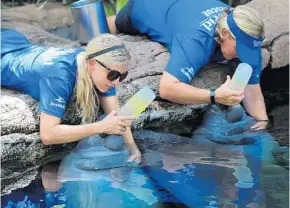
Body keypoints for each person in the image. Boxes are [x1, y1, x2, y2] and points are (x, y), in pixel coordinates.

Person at [107, 0, 269, 130]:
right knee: (114, 24)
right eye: (239, 49)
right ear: (225, 33)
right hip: (147, 6)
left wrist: (262, 123)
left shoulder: (245, 36)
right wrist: (214, 96)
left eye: (247, 50)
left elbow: (253, 89)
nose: (243, 56)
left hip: (187, 6)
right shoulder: (196, 42)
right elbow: (167, 88)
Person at [1, 28, 141, 162]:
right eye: (113, 75)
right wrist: (100, 127)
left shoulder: (97, 68)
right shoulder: (59, 77)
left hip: (16, 42)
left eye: (122, 76)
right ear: (92, 64)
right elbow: (48, 134)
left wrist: (132, 148)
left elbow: (118, 116)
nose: (117, 82)